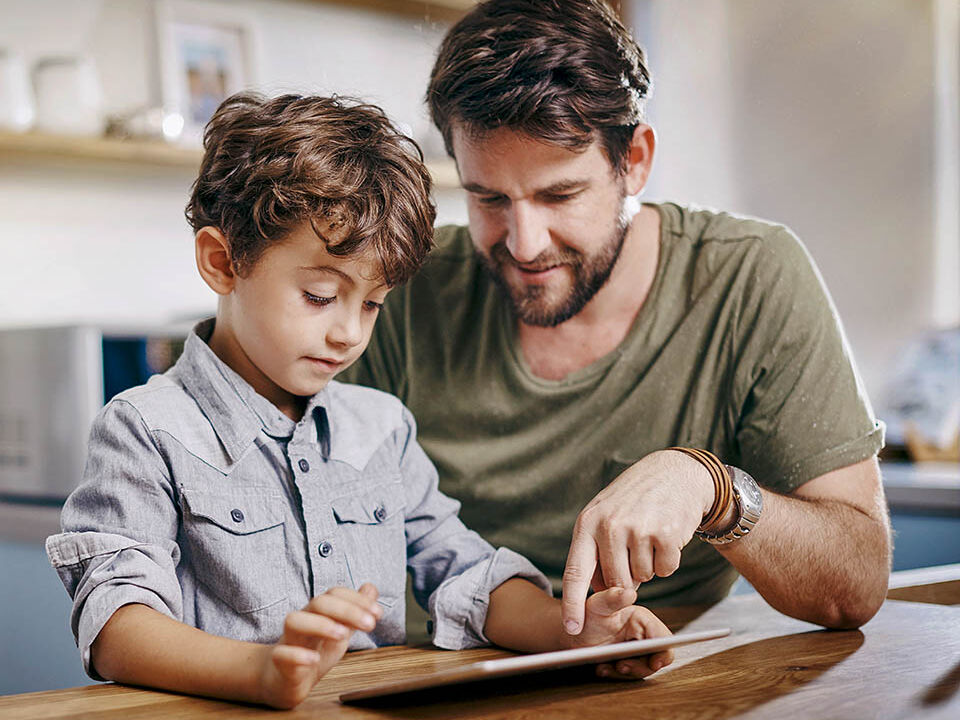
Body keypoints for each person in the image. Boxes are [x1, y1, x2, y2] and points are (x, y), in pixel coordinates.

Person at [46, 92, 674, 710]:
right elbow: (116, 623)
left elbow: (462, 570)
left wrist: (574, 635)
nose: (349, 332)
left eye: (371, 304)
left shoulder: (381, 428)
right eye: (320, 296)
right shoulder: (146, 429)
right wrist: (259, 672)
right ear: (222, 262)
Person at [341, 0, 892, 639]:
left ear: (634, 161)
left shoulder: (751, 277)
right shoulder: (407, 284)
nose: (524, 243)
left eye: (560, 194)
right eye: (488, 198)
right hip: (431, 664)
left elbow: (855, 584)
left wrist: (714, 490)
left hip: (652, 669)